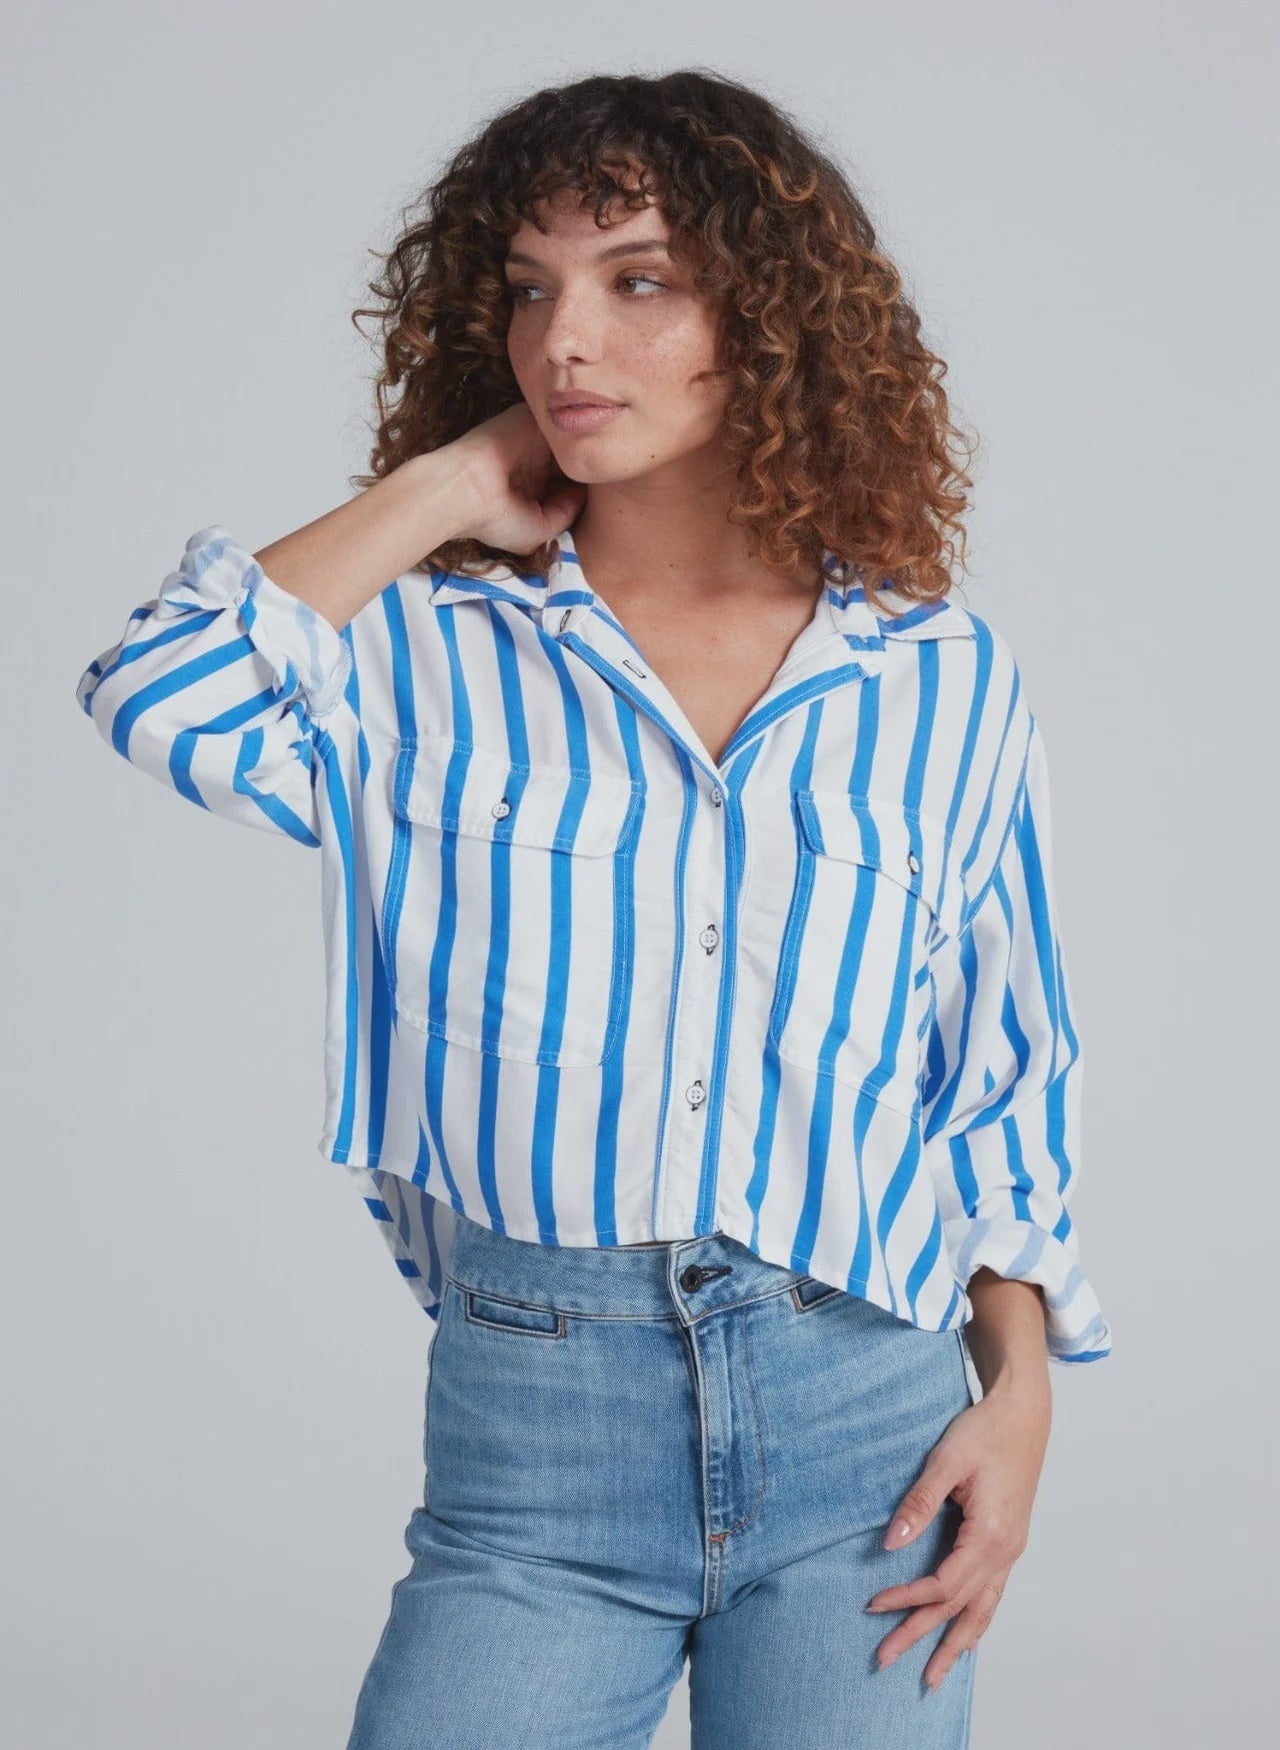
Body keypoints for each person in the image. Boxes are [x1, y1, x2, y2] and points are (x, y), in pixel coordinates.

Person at [75, 67, 1111, 1750]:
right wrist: (439, 491)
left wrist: (1025, 1394)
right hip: (536, 1441)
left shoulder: (936, 676)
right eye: (531, 288)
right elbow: (157, 688)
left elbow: (998, 1073)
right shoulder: (418, 651)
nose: (568, 340)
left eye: (638, 280)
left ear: (763, 323)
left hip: (868, 1417)